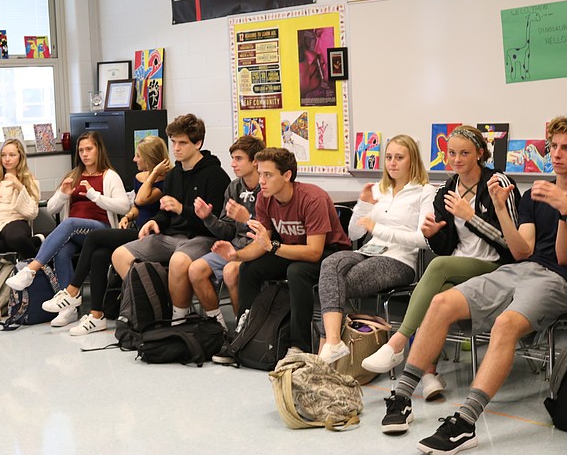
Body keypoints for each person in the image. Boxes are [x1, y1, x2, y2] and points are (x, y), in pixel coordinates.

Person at [381, 116, 567, 455]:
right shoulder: (534, 192)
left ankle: (465, 423)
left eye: (565, 148)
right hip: (520, 268)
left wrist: (565, 211)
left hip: (558, 279)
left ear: (478, 154)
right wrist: (499, 208)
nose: (557, 154)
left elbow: (562, 258)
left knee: (505, 324)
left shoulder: (543, 193)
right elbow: (521, 250)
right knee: (441, 303)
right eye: (553, 147)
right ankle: (403, 397)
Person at [363, 126, 520, 400]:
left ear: (480, 154)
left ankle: (398, 342)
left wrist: (471, 216)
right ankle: (428, 374)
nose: (456, 159)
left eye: (464, 153)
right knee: (437, 296)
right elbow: (445, 245)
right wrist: (432, 234)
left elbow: (513, 243)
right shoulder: (448, 188)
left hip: (496, 266)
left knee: (437, 266)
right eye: (451, 153)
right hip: (459, 265)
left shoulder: (498, 183)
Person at [211, 147, 350, 362]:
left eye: (268, 175)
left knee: (297, 272)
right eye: (260, 174)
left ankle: (298, 346)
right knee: (249, 269)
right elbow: (261, 244)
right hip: (289, 248)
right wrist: (235, 256)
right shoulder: (264, 198)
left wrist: (273, 247)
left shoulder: (313, 198)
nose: (262, 181)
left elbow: (314, 252)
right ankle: (243, 337)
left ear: (287, 176)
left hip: (330, 254)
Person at [316, 135, 435, 364]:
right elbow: (354, 235)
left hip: (400, 260)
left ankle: (325, 350)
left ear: (413, 161)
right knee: (330, 264)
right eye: (389, 157)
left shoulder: (425, 191)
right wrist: (363, 205)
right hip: (368, 251)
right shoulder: (379, 189)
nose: (392, 163)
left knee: (335, 285)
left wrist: (378, 228)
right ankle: (332, 343)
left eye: (399, 158)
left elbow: (423, 239)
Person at [41, 136, 171, 335]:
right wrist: (128, 216)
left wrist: (152, 175)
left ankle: (70, 290)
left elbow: (143, 198)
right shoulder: (136, 178)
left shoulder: (165, 180)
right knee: (98, 254)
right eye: (81, 150)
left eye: (138, 156)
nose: (134, 160)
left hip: (149, 235)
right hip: (132, 231)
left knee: (87, 234)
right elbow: (136, 206)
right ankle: (96, 316)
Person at [111, 114, 230, 323]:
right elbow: (165, 214)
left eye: (182, 143)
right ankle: (152, 305)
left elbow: (214, 225)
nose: (176, 148)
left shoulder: (216, 176)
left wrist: (182, 209)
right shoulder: (174, 175)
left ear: (198, 143)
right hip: (171, 236)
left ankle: (178, 318)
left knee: (178, 261)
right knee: (120, 255)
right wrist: (155, 221)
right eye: (173, 142)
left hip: (202, 237)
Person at [5, 131, 129, 328]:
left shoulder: (109, 176)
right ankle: (68, 309)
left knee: (70, 224)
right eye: (81, 150)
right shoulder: (74, 175)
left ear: (99, 150)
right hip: (75, 233)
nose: (85, 154)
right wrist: (63, 195)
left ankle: (31, 270)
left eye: (89, 149)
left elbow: (124, 206)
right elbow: (52, 208)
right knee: (62, 250)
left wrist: (94, 195)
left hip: (101, 230)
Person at [181, 135, 264, 329]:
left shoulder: (267, 186)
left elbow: (272, 232)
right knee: (195, 269)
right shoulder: (234, 187)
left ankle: (243, 328)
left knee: (230, 271)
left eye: (239, 158)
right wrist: (208, 218)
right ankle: (218, 324)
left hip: (259, 248)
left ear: (254, 161)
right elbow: (227, 231)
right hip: (236, 245)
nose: (233, 164)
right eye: (232, 158)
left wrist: (247, 219)